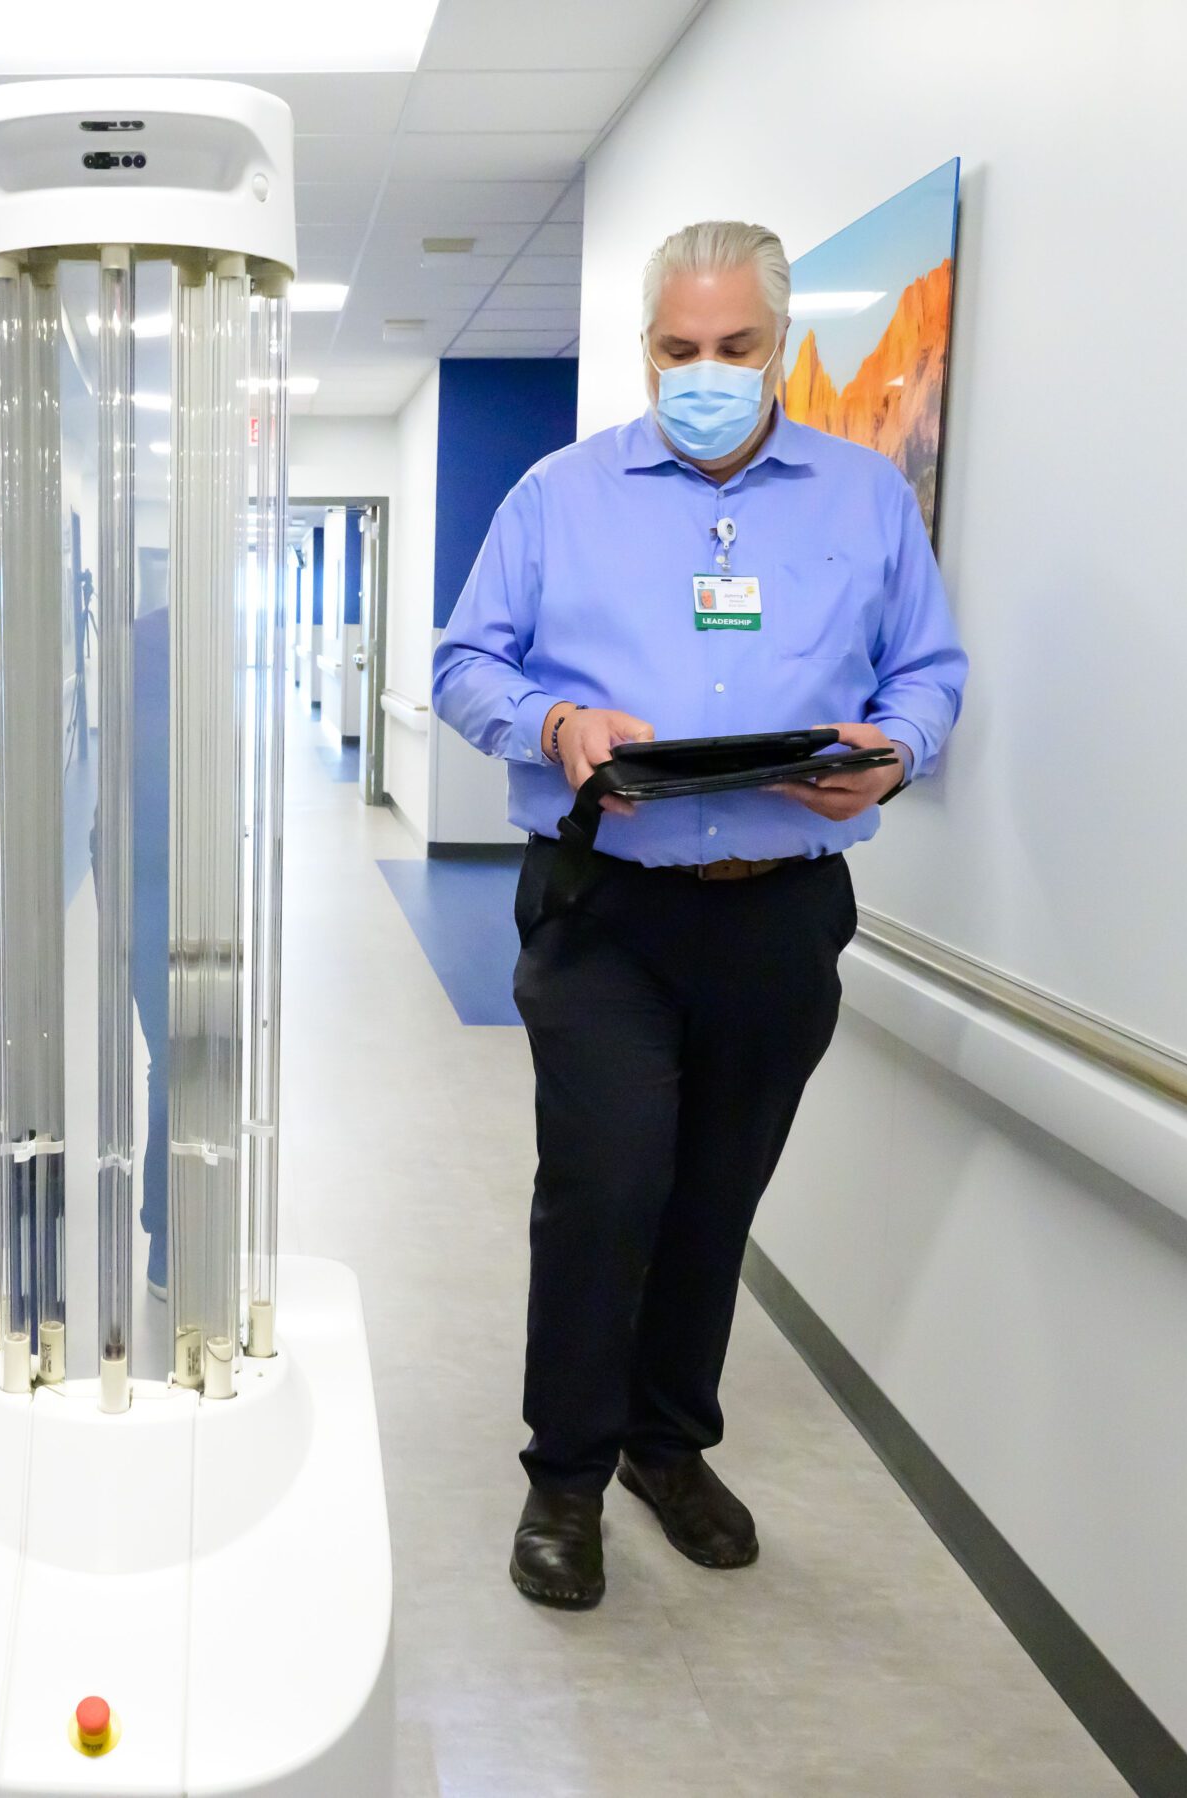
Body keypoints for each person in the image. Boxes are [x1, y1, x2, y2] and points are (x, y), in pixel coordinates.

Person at [433, 221, 969, 1609]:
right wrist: (554, 719)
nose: (708, 372)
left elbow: (931, 674)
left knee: (715, 1199)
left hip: (780, 910)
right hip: (607, 903)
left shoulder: (863, 502)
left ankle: (668, 1446)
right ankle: (566, 1474)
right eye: (681, 350)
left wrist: (895, 753)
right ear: (647, 349)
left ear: (779, 346)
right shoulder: (562, 493)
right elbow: (465, 658)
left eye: (736, 349)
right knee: (605, 1189)